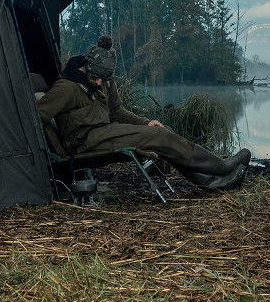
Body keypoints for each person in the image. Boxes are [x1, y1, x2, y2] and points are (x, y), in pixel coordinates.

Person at [37, 35, 251, 189]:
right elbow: (37, 116)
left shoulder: (104, 79)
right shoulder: (66, 87)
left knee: (160, 130)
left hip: (106, 131)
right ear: (87, 66)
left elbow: (117, 111)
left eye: (105, 79)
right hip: (85, 141)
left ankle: (210, 179)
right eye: (96, 79)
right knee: (157, 137)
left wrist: (145, 122)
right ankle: (221, 167)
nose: (100, 83)